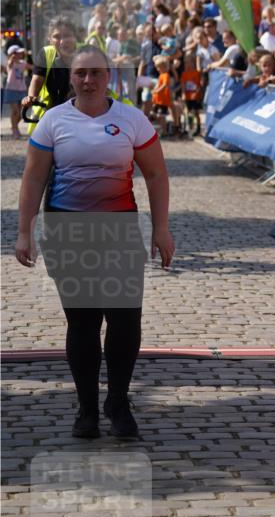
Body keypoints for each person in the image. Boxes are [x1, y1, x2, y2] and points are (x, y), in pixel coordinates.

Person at [15, 46, 175, 440]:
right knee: (83, 322)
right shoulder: (53, 121)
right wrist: (24, 231)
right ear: (71, 77)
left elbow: (156, 174)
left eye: (96, 73)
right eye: (81, 73)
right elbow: (33, 178)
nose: (88, 81)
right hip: (68, 234)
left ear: (109, 77)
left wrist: (161, 228)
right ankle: (87, 408)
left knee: (124, 321)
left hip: (118, 231)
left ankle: (118, 402)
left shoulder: (131, 118)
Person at [22, 17, 79, 128]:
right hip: (55, 114)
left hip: (83, 114)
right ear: (50, 39)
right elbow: (36, 80)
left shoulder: (86, 55)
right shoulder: (46, 54)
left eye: (67, 35)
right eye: (56, 37)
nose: (62, 41)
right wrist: (30, 98)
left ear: (75, 37)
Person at [3, 45, 28, 138]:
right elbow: (8, 66)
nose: (20, 54)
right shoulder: (10, 63)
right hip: (11, 90)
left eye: (20, 53)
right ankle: (15, 131)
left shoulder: (23, 63)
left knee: (22, 113)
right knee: (15, 111)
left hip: (22, 90)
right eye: (17, 53)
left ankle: (14, 126)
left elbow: (32, 68)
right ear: (12, 54)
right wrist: (11, 59)